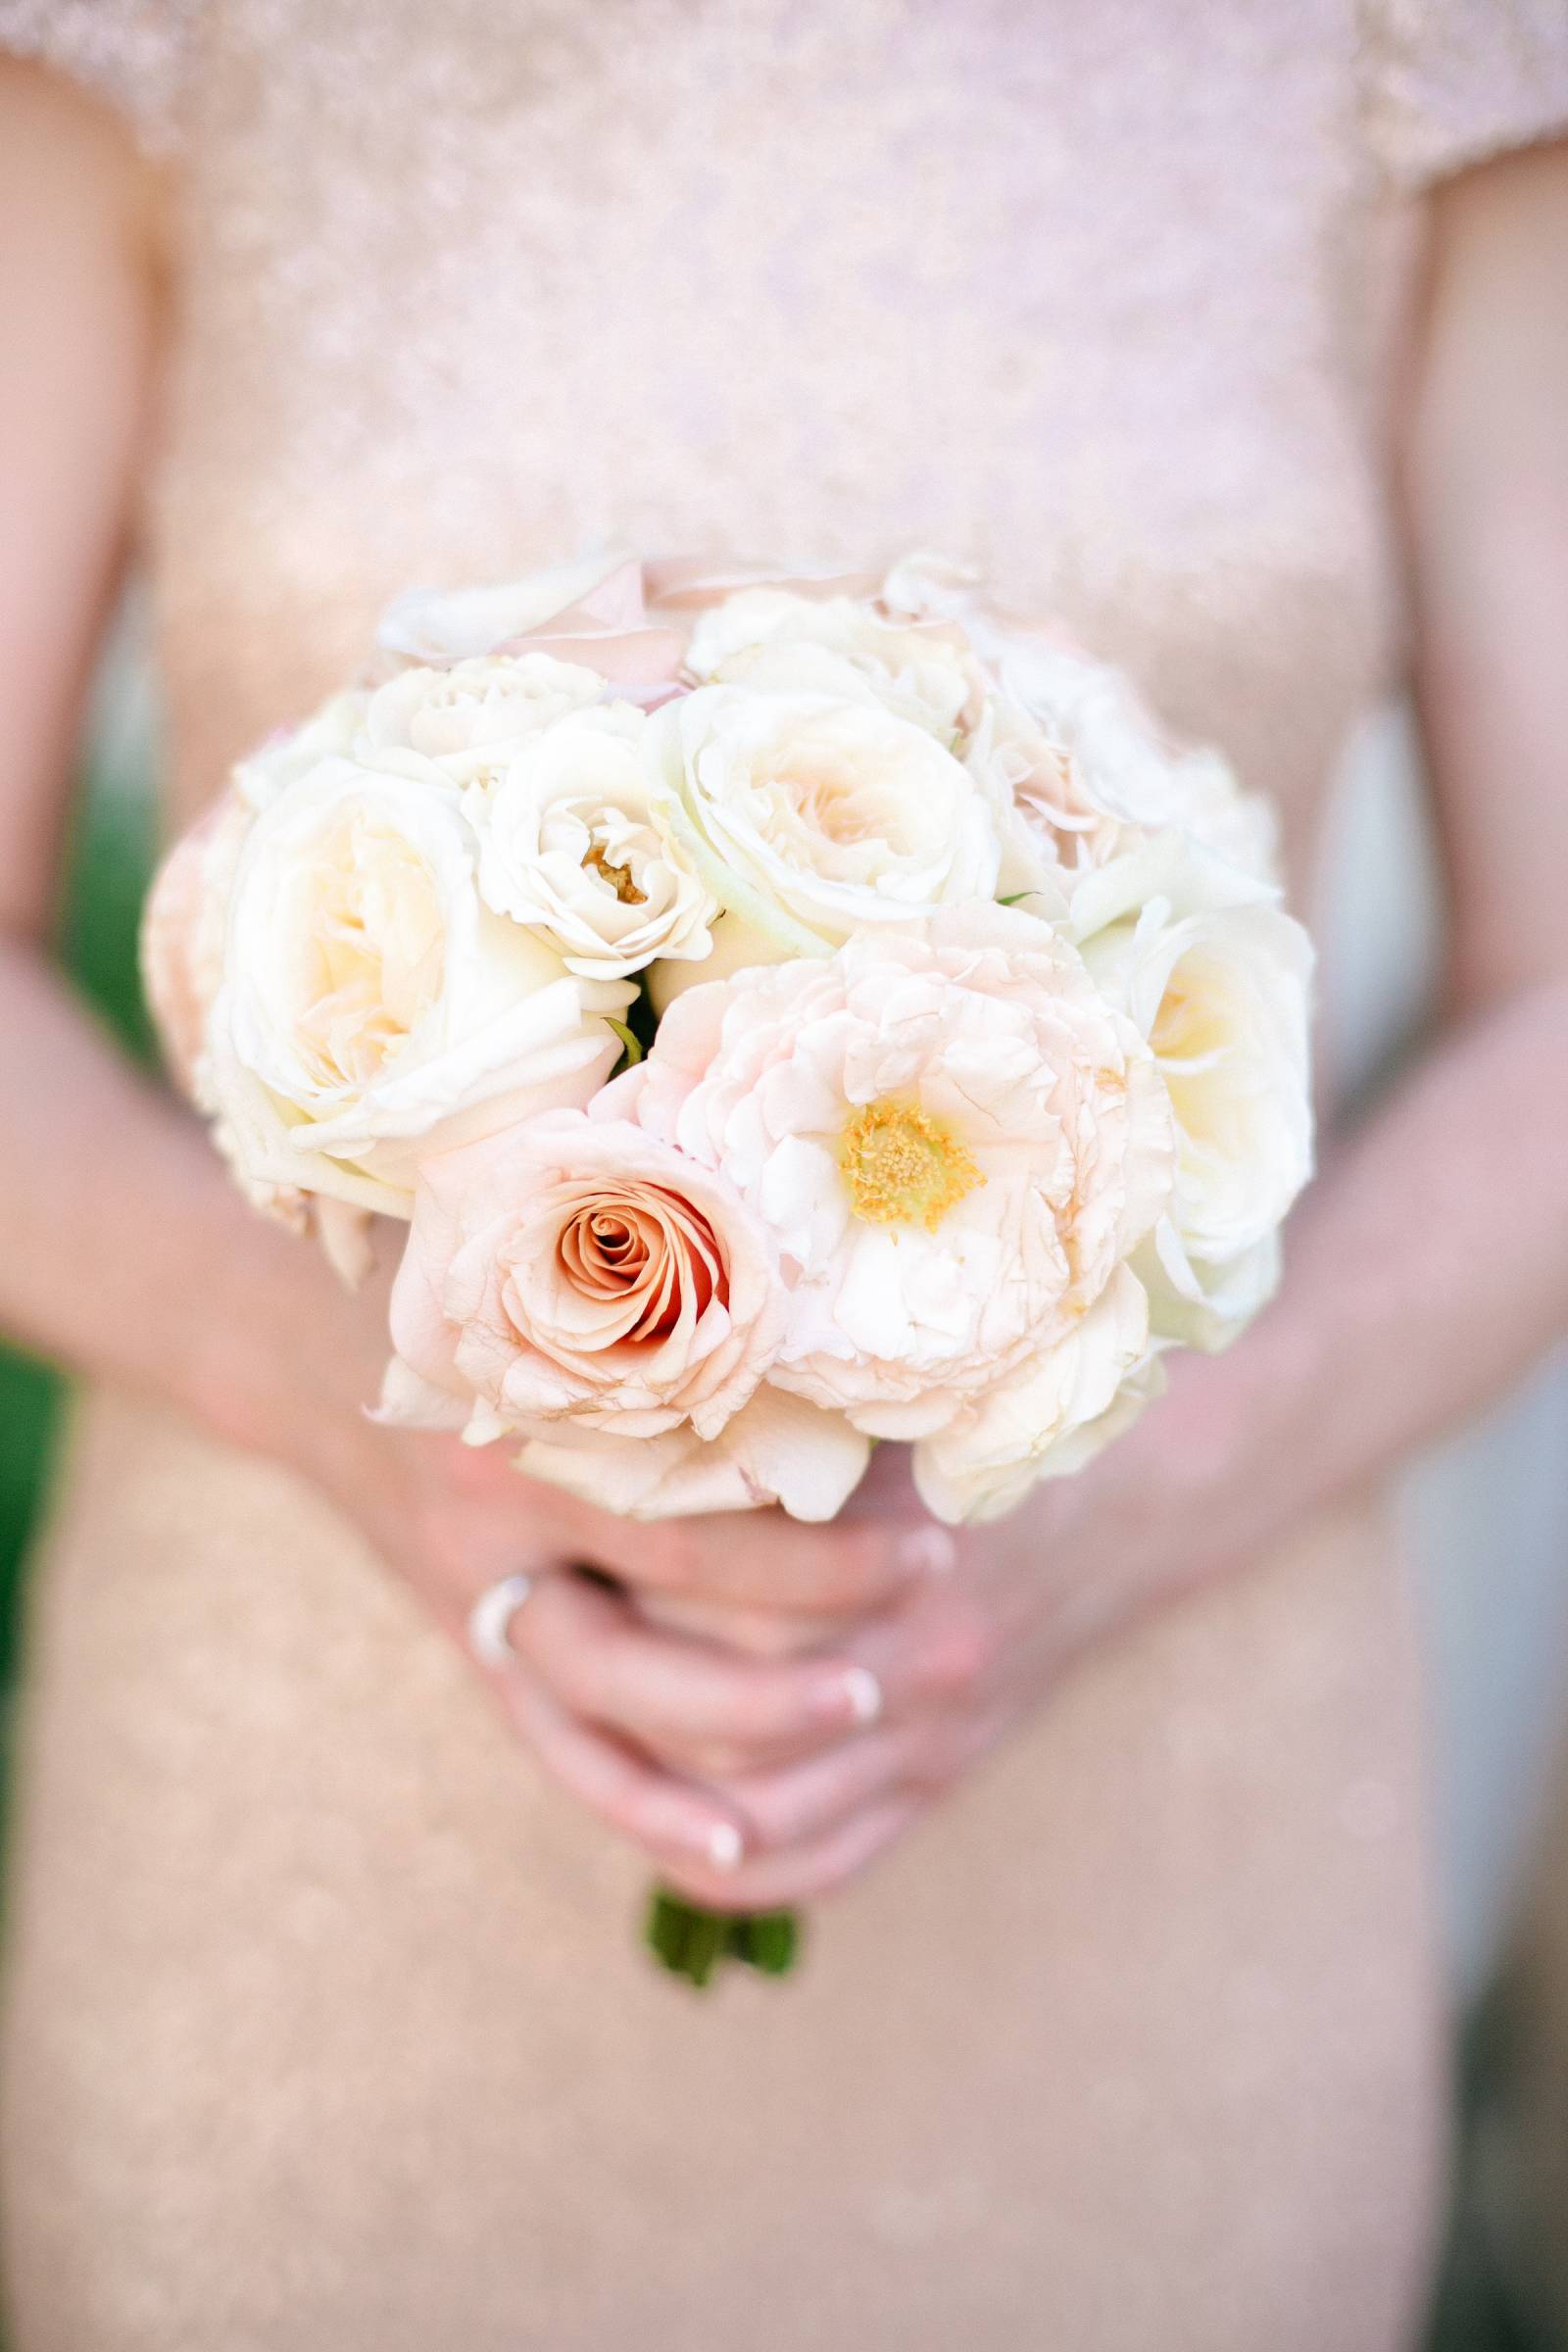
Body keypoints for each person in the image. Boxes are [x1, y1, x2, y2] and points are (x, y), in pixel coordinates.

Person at [0, 6, 1563, 2345]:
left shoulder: (1413, 55)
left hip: (1153, 1822)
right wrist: (373, 1420)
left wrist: (1089, 1523)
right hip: (319, 1812)